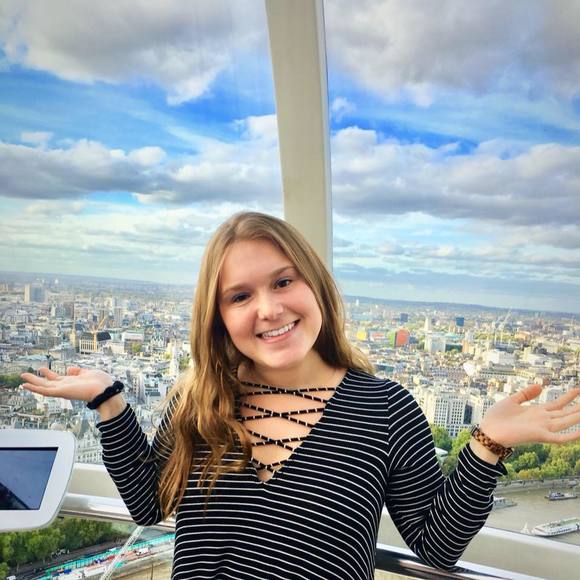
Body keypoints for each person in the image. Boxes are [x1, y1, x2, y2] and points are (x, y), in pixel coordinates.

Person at [21, 212, 580, 579]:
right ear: (219, 316)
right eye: (240, 296)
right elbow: (149, 505)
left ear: (316, 284)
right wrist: (110, 403)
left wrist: (487, 444)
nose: (269, 309)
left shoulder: (385, 409)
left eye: (284, 281)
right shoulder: (197, 400)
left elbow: (436, 546)